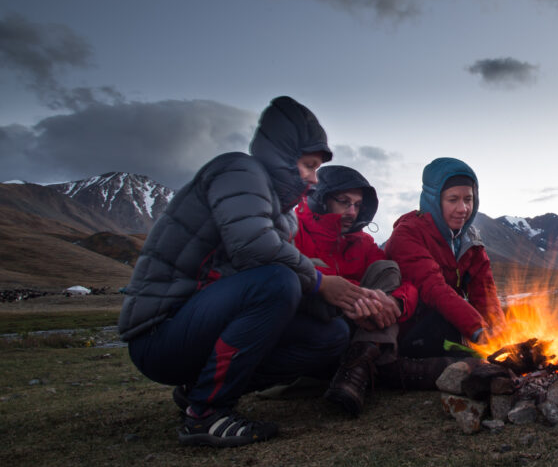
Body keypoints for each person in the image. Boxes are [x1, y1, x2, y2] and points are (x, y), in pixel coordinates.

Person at [119, 96, 382, 447]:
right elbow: (253, 248)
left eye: (317, 168)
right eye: (308, 165)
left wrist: (347, 303)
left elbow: (284, 278)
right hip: (161, 333)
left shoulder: (282, 215)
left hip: (201, 329)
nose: (313, 179)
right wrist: (319, 281)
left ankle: (199, 390)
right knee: (277, 281)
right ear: (282, 156)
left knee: (330, 335)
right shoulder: (238, 171)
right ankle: (206, 414)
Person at [292, 165, 448, 414]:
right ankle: (380, 365)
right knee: (313, 279)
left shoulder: (362, 242)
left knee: (387, 268)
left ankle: (356, 367)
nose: (352, 212)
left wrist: (395, 302)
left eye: (357, 204)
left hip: (360, 322)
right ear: (321, 198)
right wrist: (362, 298)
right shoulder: (293, 229)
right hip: (314, 325)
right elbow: (289, 275)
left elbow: (403, 281)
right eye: (344, 202)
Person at [385, 157, 506, 357]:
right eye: (453, 199)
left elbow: (484, 290)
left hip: (451, 319)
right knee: (449, 333)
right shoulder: (407, 234)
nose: (463, 209)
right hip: (412, 328)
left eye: (468, 199)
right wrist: (478, 329)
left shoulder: (469, 239)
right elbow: (433, 288)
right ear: (434, 200)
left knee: (516, 320)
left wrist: (499, 328)